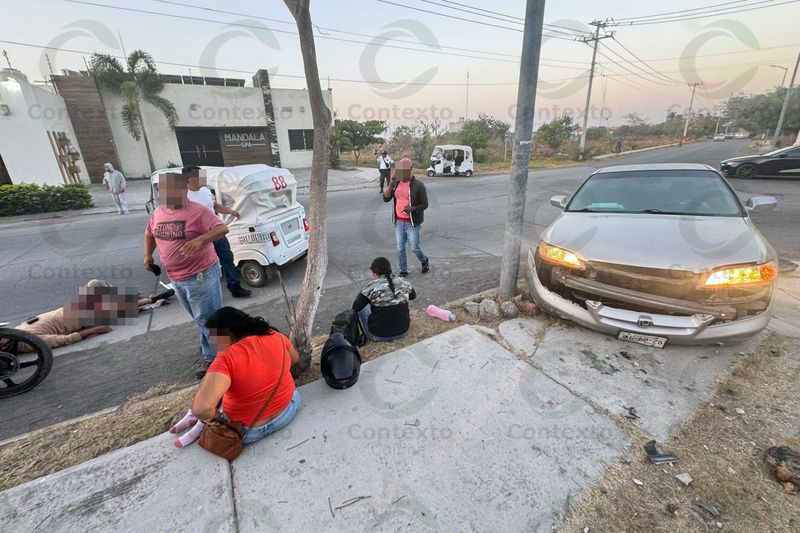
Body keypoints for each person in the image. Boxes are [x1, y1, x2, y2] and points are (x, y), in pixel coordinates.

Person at [170, 307, 301, 448]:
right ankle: (196, 420)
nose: (214, 343)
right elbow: (295, 358)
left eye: (215, 337)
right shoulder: (275, 336)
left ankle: (198, 422)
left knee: (209, 392)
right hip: (288, 411)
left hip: (248, 432)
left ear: (229, 334)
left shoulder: (226, 359)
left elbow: (201, 409)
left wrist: (214, 416)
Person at [144, 171, 227, 378]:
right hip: (176, 277)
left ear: (183, 190)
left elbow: (221, 228)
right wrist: (147, 255)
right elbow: (149, 233)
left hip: (201, 275)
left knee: (210, 319)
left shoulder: (197, 211)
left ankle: (218, 361)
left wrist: (200, 240)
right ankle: (214, 348)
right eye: (164, 190)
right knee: (200, 318)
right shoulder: (158, 211)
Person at [15, 279, 174, 351]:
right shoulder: (27, 342)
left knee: (96, 285)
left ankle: (138, 302)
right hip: (80, 317)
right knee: (110, 302)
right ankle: (151, 300)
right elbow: (65, 340)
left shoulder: (15, 333)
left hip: (71, 308)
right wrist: (95, 330)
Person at [184, 166, 252, 298]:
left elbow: (214, 206)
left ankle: (235, 288)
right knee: (204, 267)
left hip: (216, 233)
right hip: (200, 238)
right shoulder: (182, 196)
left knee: (227, 259)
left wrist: (230, 211)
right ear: (190, 179)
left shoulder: (205, 190)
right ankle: (206, 294)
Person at [383, 157, 430, 277]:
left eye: (404, 170)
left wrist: (412, 208)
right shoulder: (396, 183)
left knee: (414, 247)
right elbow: (386, 198)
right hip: (398, 222)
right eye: (399, 170)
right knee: (400, 248)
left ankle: (424, 260)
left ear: (410, 169)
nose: (401, 173)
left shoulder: (418, 185)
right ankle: (403, 270)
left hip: (412, 223)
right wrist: (390, 184)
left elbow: (425, 204)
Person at [352, 257, 416, 342]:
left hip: (378, 335)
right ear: (390, 269)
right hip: (403, 332)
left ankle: (358, 337)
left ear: (375, 273)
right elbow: (413, 296)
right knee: (400, 301)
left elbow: (355, 307)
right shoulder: (403, 282)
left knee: (362, 307)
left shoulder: (372, 286)